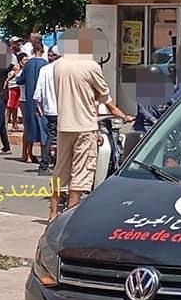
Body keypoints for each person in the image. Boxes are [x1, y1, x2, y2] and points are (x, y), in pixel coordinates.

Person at [50, 40, 132, 220]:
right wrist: (120, 113)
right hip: (85, 125)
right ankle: (71, 215)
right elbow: (103, 94)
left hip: (64, 124)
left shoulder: (58, 65)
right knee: (81, 171)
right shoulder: (90, 66)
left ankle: (53, 213)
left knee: (60, 169)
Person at [17, 38, 48, 163]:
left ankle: (27, 154)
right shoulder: (46, 65)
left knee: (28, 127)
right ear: (43, 51)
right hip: (42, 101)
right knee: (43, 127)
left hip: (27, 100)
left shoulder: (28, 64)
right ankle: (44, 155)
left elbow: (20, 80)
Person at [33, 45, 60, 175]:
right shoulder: (63, 69)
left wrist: (38, 107)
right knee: (58, 137)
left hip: (49, 109)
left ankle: (48, 163)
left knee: (51, 136)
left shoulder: (44, 70)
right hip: (61, 109)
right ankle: (47, 164)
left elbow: (37, 92)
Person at [6, 54, 24, 132]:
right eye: (24, 60)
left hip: (18, 89)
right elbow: (10, 77)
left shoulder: (24, 69)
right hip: (12, 88)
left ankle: (14, 124)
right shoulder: (15, 68)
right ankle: (5, 125)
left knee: (15, 108)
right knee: (9, 107)